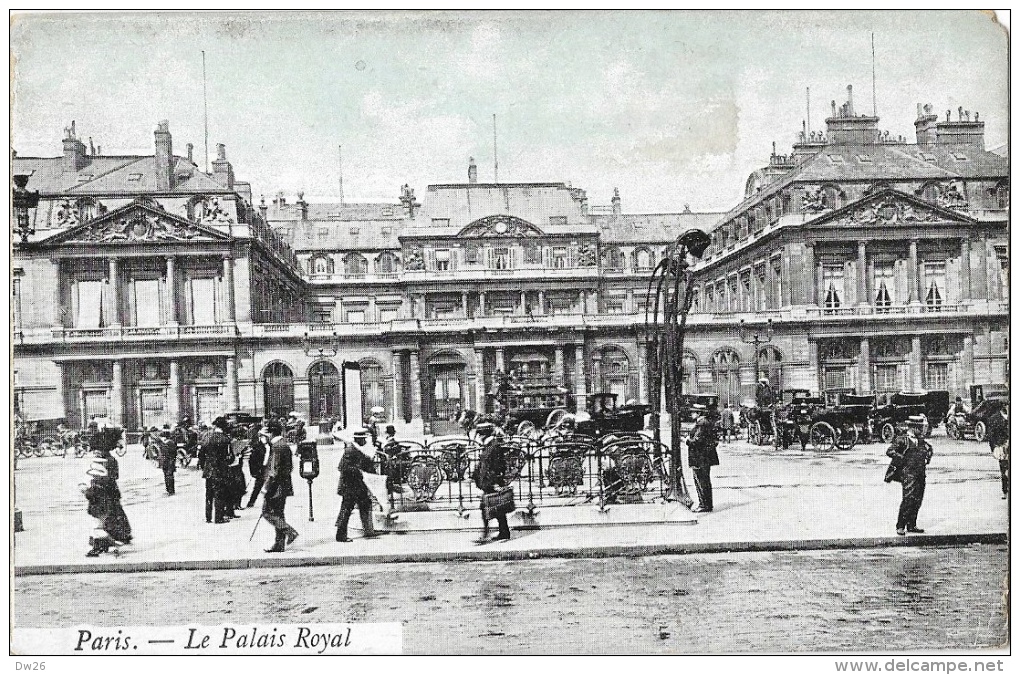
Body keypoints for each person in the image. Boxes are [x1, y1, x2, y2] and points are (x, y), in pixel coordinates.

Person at [82, 426, 132, 557]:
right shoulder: (108, 460)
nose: (95, 452)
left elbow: (110, 477)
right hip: (103, 493)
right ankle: (118, 537)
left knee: (102, 521)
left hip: (104, 493)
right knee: (108, 518)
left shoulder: (109, 461)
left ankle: (101, 544)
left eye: (97, 449)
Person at [886, 417, 933, 536]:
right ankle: (900, 525)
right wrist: (902, 458)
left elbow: (928, 449)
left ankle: (911, 524)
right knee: (908, 498)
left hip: (920, 473)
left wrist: (928, 454)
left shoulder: (921, 440)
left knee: (918, 499)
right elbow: (890, 451)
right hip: (908, 474)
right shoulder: (903, 439)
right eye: (921, 428)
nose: (923, 430)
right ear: (914, 427)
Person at [335, 429, 380, 542]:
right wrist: (358, 471)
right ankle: (341, 535)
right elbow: (342, 467)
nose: (365, 440)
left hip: (359, 485)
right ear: (358, 439)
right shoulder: (350, 450)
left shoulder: (360, 449)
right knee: (346, 509)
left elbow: (367, 465)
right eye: (363, 439)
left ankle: (369, 531)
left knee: (365, 505)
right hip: (349, 486)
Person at [261, 419, 299, 552]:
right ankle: (279, 544)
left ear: (271, 433)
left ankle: (290, 531)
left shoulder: (276, 447)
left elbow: (274, 471)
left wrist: (266, 488)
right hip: (284, 485)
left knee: (266, 512)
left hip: (275, 487)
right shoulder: (284, 445)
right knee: (279, 513)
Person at [473, 421, 511, 543]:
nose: (478, 437)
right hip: (488, 482)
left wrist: (495, 483)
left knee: (486, 507)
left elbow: (498, 466)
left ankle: (486, 533)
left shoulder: (494, 446)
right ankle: (504, 532)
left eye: (480, 434)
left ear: (484, 434)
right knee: (498, 508)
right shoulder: (489, 445)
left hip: (491, 483)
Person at [198, 417, 232, 523]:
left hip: (209, 470)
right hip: (220, 469)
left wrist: (204, 466)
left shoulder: (207, 437)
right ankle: (218, 517)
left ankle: (208, 517)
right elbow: (229, 456)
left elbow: (201, 455)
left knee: (209, 494)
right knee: (220, 493)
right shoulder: (225, 439)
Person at [687, 410, 720, 513]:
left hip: (699, 457)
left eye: (693, 412)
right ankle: (707, 504)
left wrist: (687, 440)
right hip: (705, 457)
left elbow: (697, 441)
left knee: (701, 481)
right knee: (704, 481)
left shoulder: (701, 424)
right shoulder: (706, 422)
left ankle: (704, 505)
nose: (691, 414)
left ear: (698, 413)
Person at [985, 403, 1009, 499]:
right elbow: (991, 436)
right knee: (1004, 469)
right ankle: (1005, 491)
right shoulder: (994, 419)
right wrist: (994, 448)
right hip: (1002, 448)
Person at [245, 422, 268, 508]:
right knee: (259, 484)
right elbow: (253, 457)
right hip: (260, 466)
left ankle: (252, 502)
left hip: (261, 465)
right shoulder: (256, 443)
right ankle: (251, 502)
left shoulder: (259, 440)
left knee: (259, 485)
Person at [156, 427, 177, 495]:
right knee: (166, 475)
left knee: (169, 476)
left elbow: (171, 453)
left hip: (169, 461)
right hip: (165, 461)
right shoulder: (166, 442)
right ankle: (168, 489)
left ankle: (171, 490)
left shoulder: (170, 442)